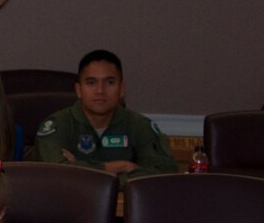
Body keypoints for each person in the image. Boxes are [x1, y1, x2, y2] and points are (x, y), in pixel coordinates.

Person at [33, 49, 175, 180]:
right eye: (91, 83)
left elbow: (162, 176)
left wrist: (78, 167)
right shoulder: (57, 125)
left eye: (110, 82)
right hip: (69, 205)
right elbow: (55, 174)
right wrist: (119, 167)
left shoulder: (139, 125)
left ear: (121, 89)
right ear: (78, 90)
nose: (100, 90)